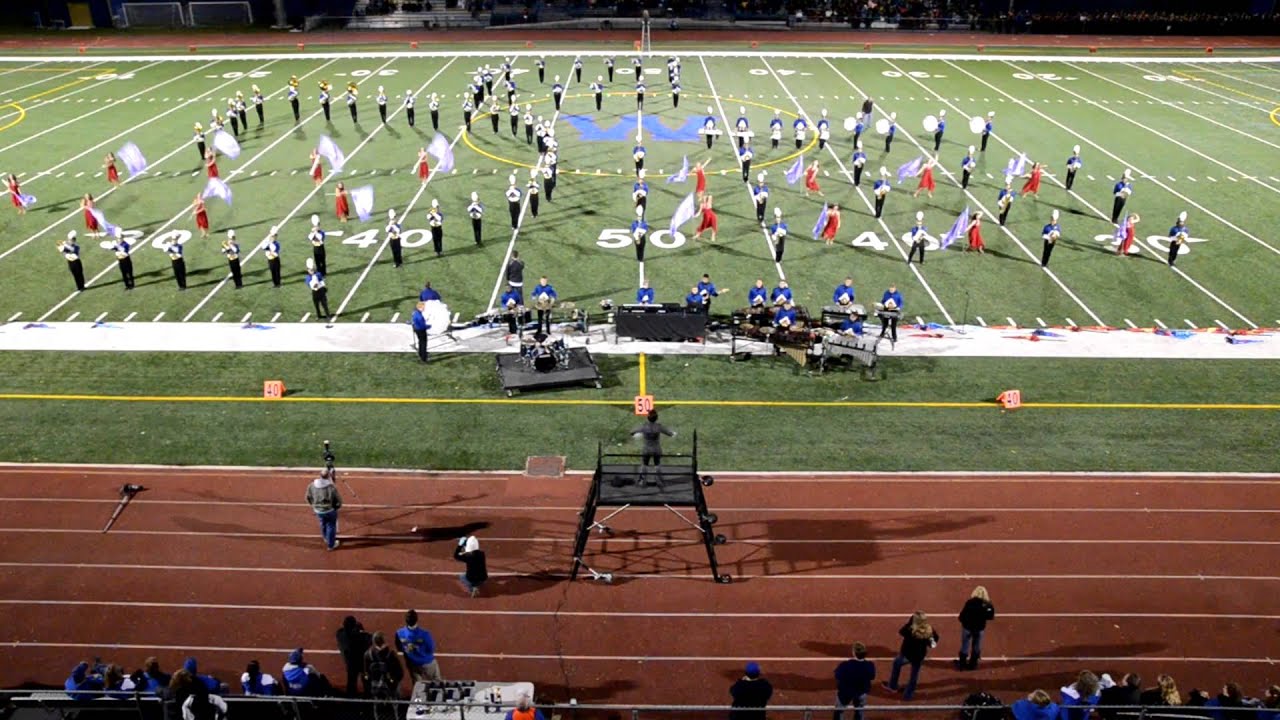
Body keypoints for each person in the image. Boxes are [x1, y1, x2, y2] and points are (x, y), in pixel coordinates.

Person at [882, 611, 939, 701]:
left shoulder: (910, 629)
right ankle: (908, 695)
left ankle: (893, 686)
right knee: (914, 675)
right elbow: (934, 643)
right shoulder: (929, 630)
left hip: (906, 654)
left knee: (897, 664)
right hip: (918, 656)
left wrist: (909, 622)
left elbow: (901, 631)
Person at [395, 609, 442, 682]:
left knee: (417, 686)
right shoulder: (425, 634)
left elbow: (399, 648)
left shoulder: (399, 633)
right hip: (427, 662)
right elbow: (431, 649)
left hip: (412, 664)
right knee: (437, 683)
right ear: (417, 620)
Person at [956, 585, 995, 670]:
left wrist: (962, 620)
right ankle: (973, 664)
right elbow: (991, 616)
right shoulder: (987, 604)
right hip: (979, 628)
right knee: (977, 645)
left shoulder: (970, 602)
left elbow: (963, 614)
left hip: (967, 627)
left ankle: (962, 664)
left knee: (965, 645)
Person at [631, 409, 675, 483]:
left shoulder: (644, 426)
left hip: (646, 449)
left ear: (648, 418)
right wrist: (673, 433)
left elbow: (632, 432)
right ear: (656, 418)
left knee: (644, 464)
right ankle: (658, 479)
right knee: (657, 464)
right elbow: (670, 433)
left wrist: (636, 434)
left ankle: (642, 480)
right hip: (656, 448)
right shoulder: (658, 427)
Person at [833, 642, 875, 720]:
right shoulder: (870, 665)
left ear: (854, 653)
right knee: (859, 711)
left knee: (839, 711)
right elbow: (872, 676)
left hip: (845, 693)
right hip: (861, 692)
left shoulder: (845, 665)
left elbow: (837, 676)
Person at [305, 467, 342, 550]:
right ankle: (331, 545)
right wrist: (336, 507)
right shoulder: (331, 487)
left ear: (320, 475)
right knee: (331, 526)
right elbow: (338, 500)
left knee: (323, 523)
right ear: (328, 476)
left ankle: (325, 538)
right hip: (329, 510)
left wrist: (313, 505)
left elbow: (307, 497)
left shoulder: (311, 485)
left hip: (318, 510)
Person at [335, 616, 372, 697]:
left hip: (350, 663)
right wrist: (361, 631)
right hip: (362, 664)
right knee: (366, 681)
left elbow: (340, 630)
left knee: (351, 682)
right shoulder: (361, 637)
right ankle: (368, 697)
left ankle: (351, 698)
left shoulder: (340, 635)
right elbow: (370, 638)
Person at [363, 632, 404, 700]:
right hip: (390, 686)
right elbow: (400, 672)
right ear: (384, 641)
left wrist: (370, 682)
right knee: (394, 702)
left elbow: (366, 673)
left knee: (376, 704)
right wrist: (393, 680)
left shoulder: (367, 654)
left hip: (375, 685)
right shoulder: (391, 654)